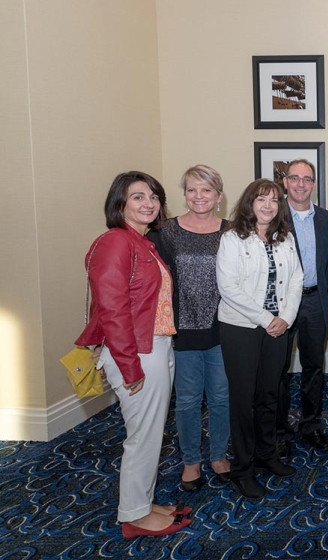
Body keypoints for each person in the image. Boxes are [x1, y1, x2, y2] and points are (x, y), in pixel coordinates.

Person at [75, 171, 191, 538]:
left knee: (151, 432)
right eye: (138, 197)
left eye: (153, 196)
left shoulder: (141, 242)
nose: (149, 203)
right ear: (119, 203)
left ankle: (142, 502)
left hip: (155, 345)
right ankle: (135, 516)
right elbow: (112, 310)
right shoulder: (115, 243)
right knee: (142, 435)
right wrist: (130, 366)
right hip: (137, 352)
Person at [217, 179, 303, 499]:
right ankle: (242, 469)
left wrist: (286, 318)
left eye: (275, 200)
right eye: (261, 199)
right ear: (249, 203)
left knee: (270, 394)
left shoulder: (285, 237)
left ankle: (267, 455)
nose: (268, 206)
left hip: (279, 327)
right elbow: (229, 288)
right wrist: (268, 319)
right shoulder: (232, 239)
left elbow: (296, 278)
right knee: (243, 400)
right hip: (242, 328)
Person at [149, 165, 231, 493]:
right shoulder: (165, 233)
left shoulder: (232, 231)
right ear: (184, 194)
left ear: (219, 196)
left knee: (222, 396)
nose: (199, 197)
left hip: (223, 327)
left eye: (206, 190)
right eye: (192, 190)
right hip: (181, 331)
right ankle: (191, 460)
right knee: (186, 400)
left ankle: (219, 455)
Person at [276, 159, 328, 457]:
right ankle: (279, 430)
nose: (301, 184)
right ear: (285, 182)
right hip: (280, 305)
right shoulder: (271, 216)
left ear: (314, 183)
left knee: (314, 367)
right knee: (279, 369)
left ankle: (310, 425)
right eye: (295, 178)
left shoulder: (327, 219)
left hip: (315, 301)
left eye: (307, 179)